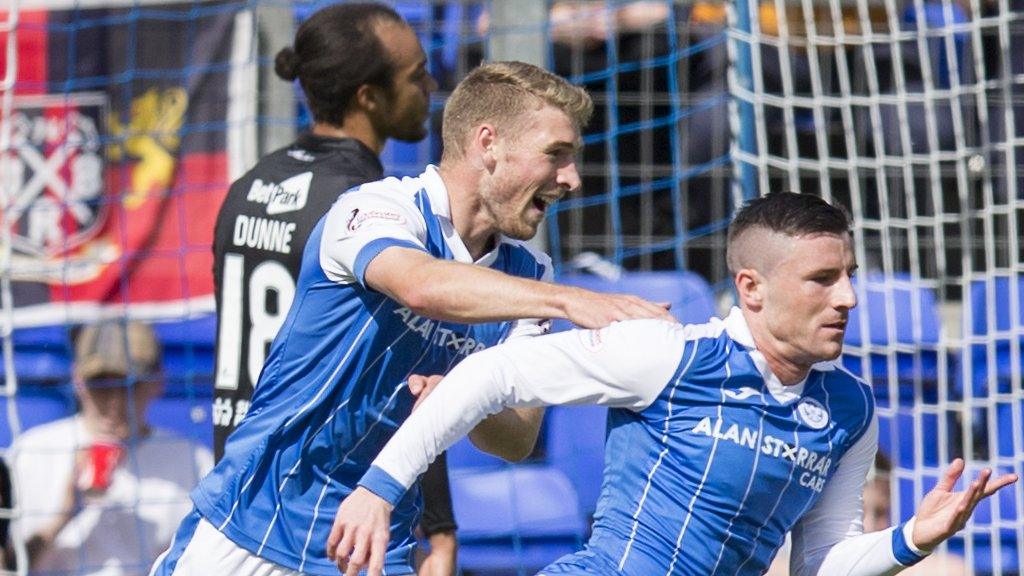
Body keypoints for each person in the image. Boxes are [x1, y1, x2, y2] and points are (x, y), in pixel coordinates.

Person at [151, 61, 673, 576]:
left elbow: (514, 441)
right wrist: (566, 301)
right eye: (556, 155)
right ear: (487, 144)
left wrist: (464, 396)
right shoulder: (378, 208)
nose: (573, 179)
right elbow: (421, 286)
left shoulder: (530, 272)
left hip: (368, 543)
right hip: (253, 526)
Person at [333, 192, 1018, 575]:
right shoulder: (667, 355)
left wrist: (912, 540)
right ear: (750, 288)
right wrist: (378, 488)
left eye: (849, 276)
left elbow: (819, 565)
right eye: (822, 279)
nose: (847, 298)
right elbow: (492, 373)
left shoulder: (848, 408)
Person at [208, 3, 460, 571]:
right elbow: (405, 379)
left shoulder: (249, 186)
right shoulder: (370, 211)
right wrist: (438, 528)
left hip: (236, 493)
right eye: (416, 75)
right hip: (318, 508)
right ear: (368, 97)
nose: (431, 86)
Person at [7, 321, 213, 575]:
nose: (114, 403)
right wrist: (63, 515)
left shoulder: (194, 461)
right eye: (100, 385)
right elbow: (8, 565)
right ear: (78, 380)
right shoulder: (31, 452)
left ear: (158, 381)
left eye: (130, 385)